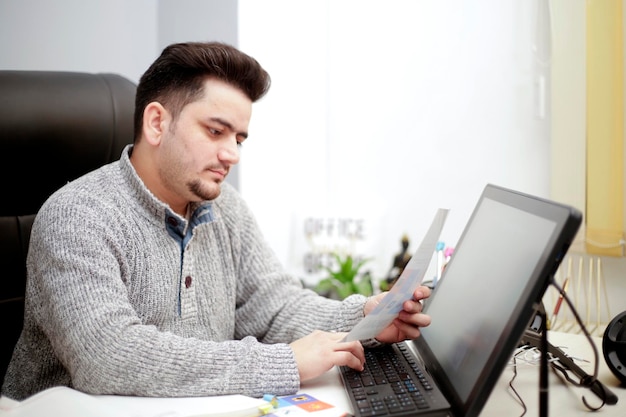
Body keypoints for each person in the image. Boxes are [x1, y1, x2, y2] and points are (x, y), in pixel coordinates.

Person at [1, 41, 431, 401]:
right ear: (156, 122)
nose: (233, 155)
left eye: (239, 138)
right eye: (215, 131)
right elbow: (109, 357)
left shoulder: (226, 210)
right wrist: (282, 363)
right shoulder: (78, 216)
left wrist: (365, 319)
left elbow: (274, 306)